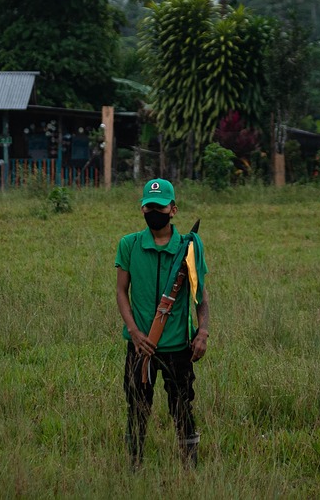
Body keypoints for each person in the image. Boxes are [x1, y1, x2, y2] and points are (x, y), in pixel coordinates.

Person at [114, 177, 210, 469]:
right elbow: (121, 291)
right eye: (148, 207)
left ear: (173, 210)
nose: (153, 211)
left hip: (178, 346)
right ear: (142, 209)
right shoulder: (129, 245)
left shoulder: (189, 247)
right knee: (137, 407)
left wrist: (202, 331)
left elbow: (200, 296)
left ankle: (189, 466)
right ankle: (135, 464)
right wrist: (134, 332)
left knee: (182, 407)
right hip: (140, 346)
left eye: (159, 206)